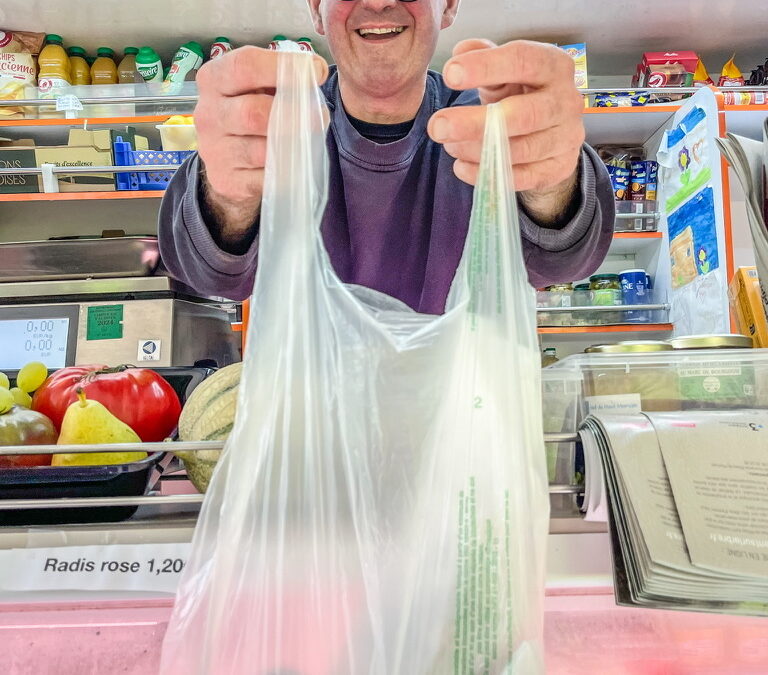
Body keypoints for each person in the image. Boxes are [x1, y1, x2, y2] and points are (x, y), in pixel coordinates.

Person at [159, 0, 614, 314]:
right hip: (313, 435)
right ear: (317, 7)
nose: (378, 2)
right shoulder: (270, 124)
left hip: (465, 431)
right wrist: (229, 199)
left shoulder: (495, 122)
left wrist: (551, 184)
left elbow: (563, 264)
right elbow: (213, 277)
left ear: (450, 3)